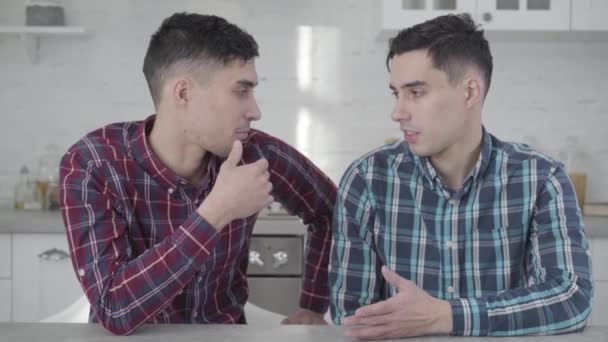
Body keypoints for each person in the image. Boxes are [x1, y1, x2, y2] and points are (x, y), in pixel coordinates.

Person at [59, 12, 336, 335]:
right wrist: (216, 211)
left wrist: (314, 304)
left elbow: (330, 211)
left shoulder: (256, 154)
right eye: (241, 91)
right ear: (183, 93)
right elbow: (114, 308)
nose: (255, 111)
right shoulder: (92, 164)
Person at [329, 13, 592, 339]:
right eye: (395, 93)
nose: (397, 112)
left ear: (470, 92)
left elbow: (571, 299)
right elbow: (352, 319)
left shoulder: (540, 178)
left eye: (416, 92)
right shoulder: (367, 180)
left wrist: (445, 316)